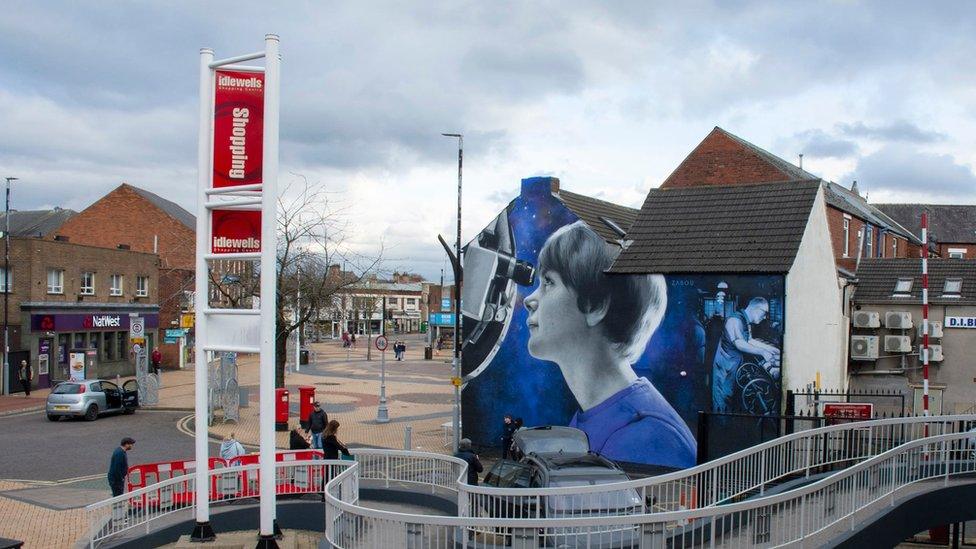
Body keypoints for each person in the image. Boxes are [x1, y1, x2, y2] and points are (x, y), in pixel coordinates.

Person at [522, 221, 695, 469]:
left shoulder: (646, 436)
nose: (530, 299)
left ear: (595, 305)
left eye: (549, 282)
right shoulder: (598, 415)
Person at [711, 297, 781, 413]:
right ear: (756, 309)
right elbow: (739, 343)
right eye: (764, 313)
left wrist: (773, 350)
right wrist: (762, 352)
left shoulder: (745, 320)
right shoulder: (734, 320)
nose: (765, 317)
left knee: (729, 397)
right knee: (722, 400)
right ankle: (720, 428)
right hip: (724, 368)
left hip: (732, 366)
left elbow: (749, 340)